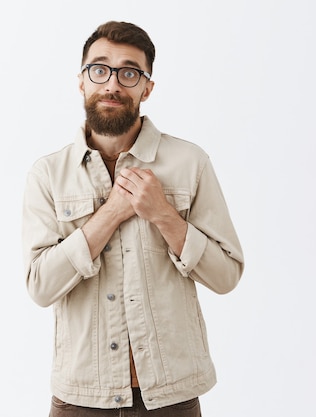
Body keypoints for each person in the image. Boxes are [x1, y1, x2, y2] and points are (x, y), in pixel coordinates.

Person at [22, 21, 244, 417]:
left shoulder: (190, 163)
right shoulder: (48, 174)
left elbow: (226, 276)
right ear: (82, 82)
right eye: (99, 69)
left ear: (147, 88)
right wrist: (110, 213)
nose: (112, 84)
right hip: (81, 399)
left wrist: (163, 214)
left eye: (129, 72)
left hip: (170, 399)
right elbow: (40, 286)